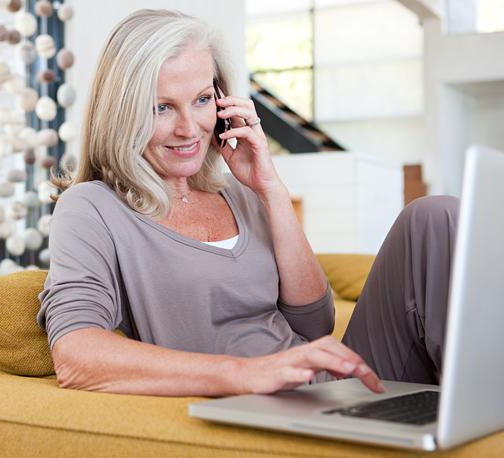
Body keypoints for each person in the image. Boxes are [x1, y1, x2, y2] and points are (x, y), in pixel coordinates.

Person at [36, 9, 458, 397]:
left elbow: (315, 324)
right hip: (260, 397)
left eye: (202, 100)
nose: (189, 128)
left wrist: (269, 187)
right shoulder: (91, 207)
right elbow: (76, 357)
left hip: (328, 386)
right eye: (161, 107)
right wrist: (244, 374)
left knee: (433, 218)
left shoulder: (238, 192)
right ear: (123, 112)